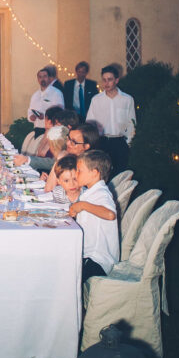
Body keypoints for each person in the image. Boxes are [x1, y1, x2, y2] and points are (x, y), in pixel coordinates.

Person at [68, 149, 119, 280]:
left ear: (94, 173)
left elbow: (110, 215)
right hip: (88, 254)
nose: (76, 174)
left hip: (97, 260)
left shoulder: (102, 193)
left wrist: (82, 205)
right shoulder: (90, 192)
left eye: (79, 171)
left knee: (65, 274)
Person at [85, 64, 136, 176]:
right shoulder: (96, 100)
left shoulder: (127, 99)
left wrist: (128, 143)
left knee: (120, 174)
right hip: (102, 142)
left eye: (110, 79)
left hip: (120, 142)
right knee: (103, 174)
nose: (106, 83)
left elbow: (131, 123)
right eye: (104, 80)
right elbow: (90, 122)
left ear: (116, 80)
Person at [43, 122, 99, 191]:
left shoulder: (85, 167)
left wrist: (59, 160)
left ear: (86, 146)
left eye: (73, 142)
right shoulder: (70, 158)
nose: (67, 143)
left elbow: (49, 189)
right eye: (68, 138)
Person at [27, 67, 65, 137]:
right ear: (38, 79)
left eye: (45, 76)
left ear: (49, 78)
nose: (42, 79)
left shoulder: (56, 93)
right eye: (40, 77)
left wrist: (44, 116)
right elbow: (30, 111)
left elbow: (59, 112)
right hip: (37, 128)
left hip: (51, 129)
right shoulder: (35, 95)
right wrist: (31, 117)